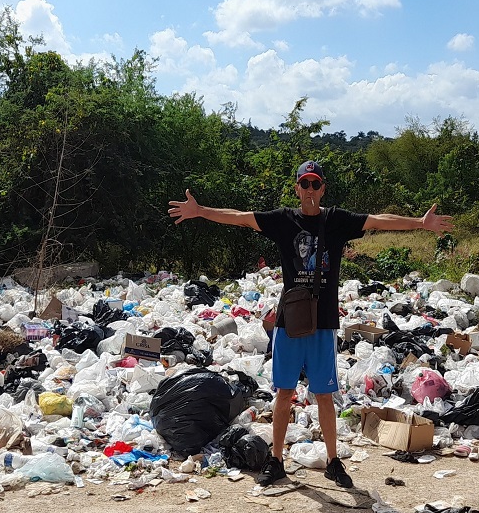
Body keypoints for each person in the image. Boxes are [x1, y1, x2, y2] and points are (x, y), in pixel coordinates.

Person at [168, 160, 453, 488]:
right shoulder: (283, 221)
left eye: (315, 184)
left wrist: (420, 222)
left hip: (324, 323)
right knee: (284, 393)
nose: (310, 190)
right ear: (297, 188)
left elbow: (378, 221)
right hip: (291, 323)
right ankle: (276, 460)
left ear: (323, 188)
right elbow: (240, 217)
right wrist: (200, 209)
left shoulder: (337, 221)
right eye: (305, 184)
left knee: (324, 395)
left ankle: (333, 462)